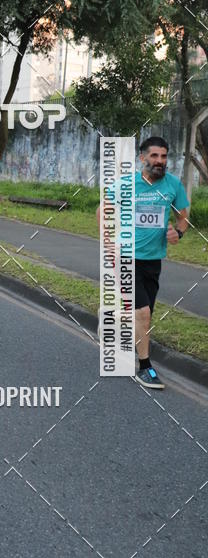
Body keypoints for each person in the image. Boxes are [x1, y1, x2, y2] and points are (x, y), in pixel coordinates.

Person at [96, 136, 190, 389]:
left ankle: (123, 329)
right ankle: (145, 368)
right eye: (154, 156)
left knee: (145, 310)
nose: (159, 161)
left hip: (153, 259)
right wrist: (108, 244)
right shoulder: (126, 184)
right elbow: (102, 210)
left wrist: (178, 232)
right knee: (143, 311)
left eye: (163, 156)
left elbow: (183, 215)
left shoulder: (172, 185)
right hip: (125, 257)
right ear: (142, 158)